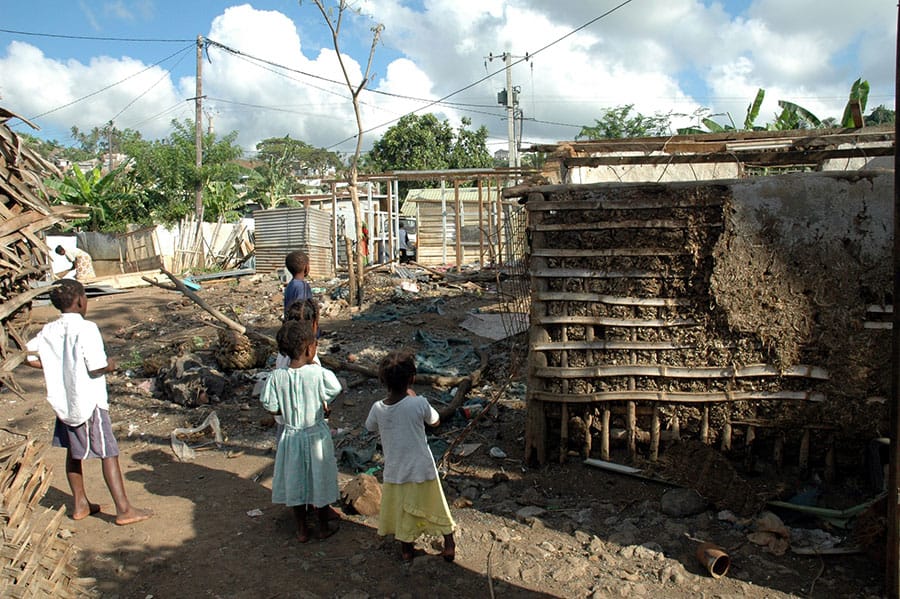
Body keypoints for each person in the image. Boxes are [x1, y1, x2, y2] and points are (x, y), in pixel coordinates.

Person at [25, 279, 152, 526]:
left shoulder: (49, 330)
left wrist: (54, 366)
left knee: (74, 452)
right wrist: (111, 364)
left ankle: (80, 503)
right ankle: (124, 509)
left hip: (64, 403)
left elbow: (29, 357)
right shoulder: (87, 329)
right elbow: (96, 367)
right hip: (89, 402)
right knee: (109, 453)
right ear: (82, 300)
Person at [365, 350, 456, 562]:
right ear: (412, 379)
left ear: (382, 381)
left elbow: (369, 427)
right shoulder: (419, 403)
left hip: (396, 471)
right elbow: (435, 421)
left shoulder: (378, 408)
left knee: (402, 509)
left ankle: (406, 548)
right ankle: (449, 542)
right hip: (422, 468)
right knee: (436, 503)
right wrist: (415, 400)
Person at [260, 319, 342, 542]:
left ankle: (302, 529)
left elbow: (268, 403)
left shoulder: (277, 376)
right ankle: (323, 526)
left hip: (291, 435)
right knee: (320, 477)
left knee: (295, 479)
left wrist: (282, 409)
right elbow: (335, 388)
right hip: (315, 434)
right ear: (309, 348)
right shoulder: (316, 374)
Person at [283, 250, 312, 321]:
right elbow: (303, 311)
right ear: (306, 267)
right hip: (302, 328)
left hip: (290, 325)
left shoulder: (290, 285)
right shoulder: (303, 286)